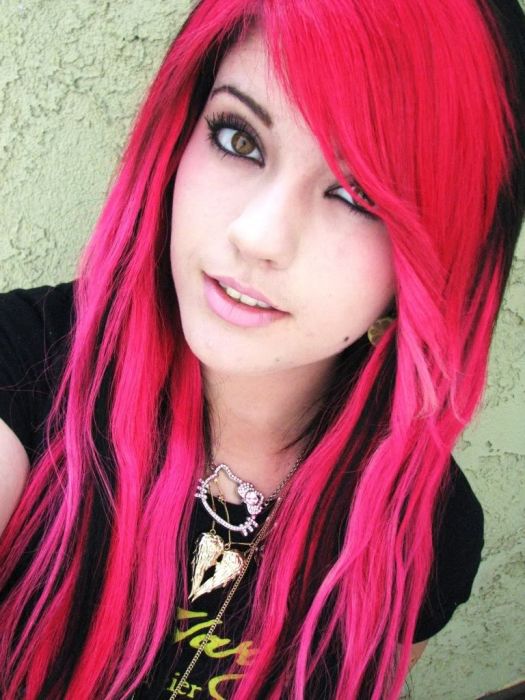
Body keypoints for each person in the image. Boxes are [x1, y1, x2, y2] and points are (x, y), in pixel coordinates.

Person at [0, 0, 523, 698]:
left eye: (358, 195)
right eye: (238, 138)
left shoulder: (423, 528)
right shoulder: (27, 368)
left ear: (438, 262)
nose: (258, 235)